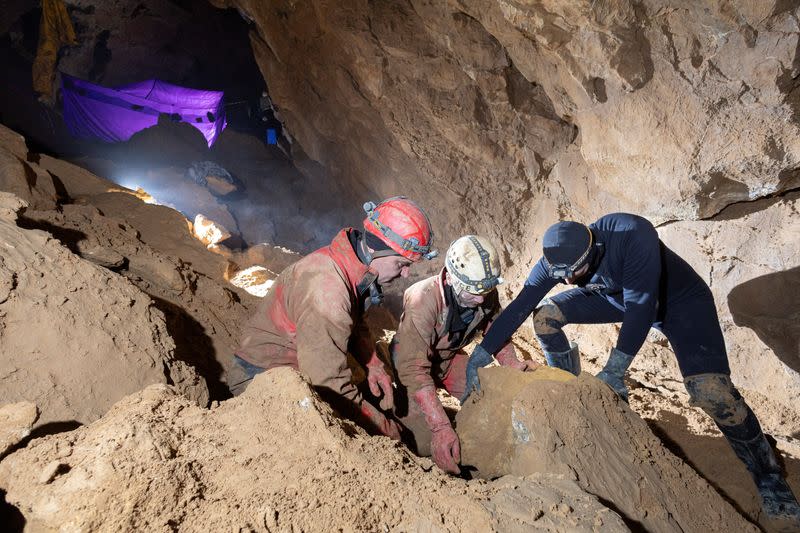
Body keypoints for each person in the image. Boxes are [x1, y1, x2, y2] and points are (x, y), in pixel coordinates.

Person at [461, 213, 800, 521]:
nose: (565, 282)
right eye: (558, 275)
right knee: (546, 316)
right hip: (616, 300)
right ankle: (569, 391)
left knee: (712, 393)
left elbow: (642, 306)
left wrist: (614, 370)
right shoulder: (559, 261)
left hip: (678, 303)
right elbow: (522, 304)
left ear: (592, 252)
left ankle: (768, 476)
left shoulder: (631, 234)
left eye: (573, 274)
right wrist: (483, 352)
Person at [231, 197, 437, 440]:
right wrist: (384, 432)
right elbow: (328, 385)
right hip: (259, 381)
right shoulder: (328, 290)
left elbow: (355, 321)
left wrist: (373, 365)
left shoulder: (350, 266)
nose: (406, 273)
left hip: (296, 368)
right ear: (375, 248)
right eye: (402, 263)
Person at [391, 235, 536, 473]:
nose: (481, 299)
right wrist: (439, 427)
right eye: (473, 292)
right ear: (451, 278)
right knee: (424, 440)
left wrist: (511, 363)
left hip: (448, 358)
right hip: (412, 363)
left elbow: (496, 330)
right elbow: (412, 369)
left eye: (486, 291)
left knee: (484, 399)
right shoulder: (423, 300)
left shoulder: (482, 290)